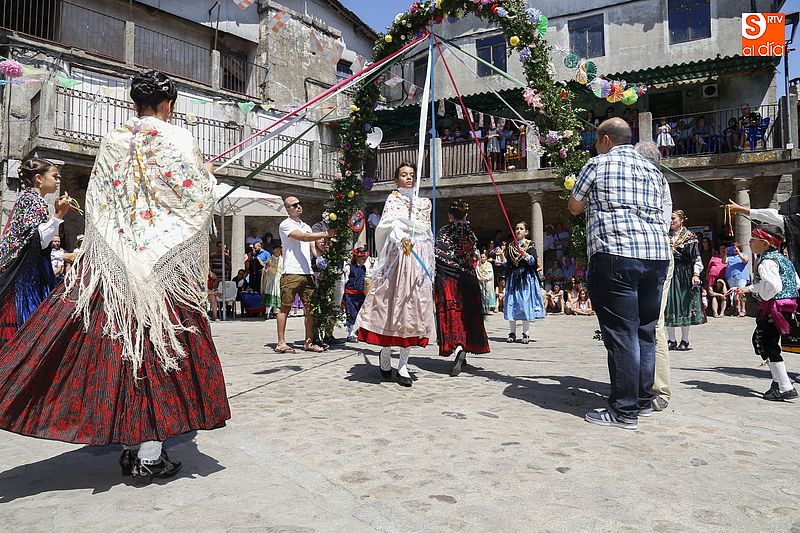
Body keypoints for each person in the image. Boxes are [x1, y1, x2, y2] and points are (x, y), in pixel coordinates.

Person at [0, 70, 229, 482]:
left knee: (119, 355)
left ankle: (132, 445)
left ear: (133, 103)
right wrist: (209, 179)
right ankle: (149, 453)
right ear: (169, 104)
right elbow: (195, 197)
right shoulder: (178, 139)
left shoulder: (112, 141)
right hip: (162, 269)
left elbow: (101, 199)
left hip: (113, 267)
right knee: (161, 356)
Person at [569, 117, 670, 430]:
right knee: (646, 331)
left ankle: (624, 411)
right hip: (655, 257)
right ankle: (641, 400)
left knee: (622, 333)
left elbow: (574, 206)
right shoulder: (655, 171)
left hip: (615, 254)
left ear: (605, 140)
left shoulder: (597, 164)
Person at [354, 163, 435, 387]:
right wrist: (401, 239)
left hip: (418, 259)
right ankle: (386, 354)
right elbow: (390, 226)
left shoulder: (424, 203)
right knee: (392, 307)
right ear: (396, 179)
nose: (408, 178)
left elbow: (426, 232)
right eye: (403, 175)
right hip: (398, 258)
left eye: (411, 175)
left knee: (412, 310)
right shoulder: (393, 199)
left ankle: (404, 365)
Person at [0, 159, 70, 347]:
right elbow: (36, 240)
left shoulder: (31, 199)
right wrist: (58, 216)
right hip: (24, 281)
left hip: (28, 278)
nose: (58, 180)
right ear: (39, 178)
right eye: (54, 176)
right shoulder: (31, 200)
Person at [635, 140, 673, 412]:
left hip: (656, 255)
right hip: (639, 254)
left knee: (653, 323)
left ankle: (659, 388)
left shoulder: (654, 181)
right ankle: (640, 381)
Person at [741, 225, 799, 400]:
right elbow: (796, 283)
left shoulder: (766, 262)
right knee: (763, 341)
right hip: (788, 306)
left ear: (765, 243)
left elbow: (773, 286)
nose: (750, 241)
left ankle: (785, 386)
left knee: (767, 343)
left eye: (753, 238)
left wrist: (753, 290)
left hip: (775, 308)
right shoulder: (784, 260)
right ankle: (778, 381)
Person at [433, 199, 490, 377]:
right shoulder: (471, 234)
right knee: (467, 314)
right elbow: (472, 255)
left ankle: (458, 348)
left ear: (450, 215)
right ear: (466, 215)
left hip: (449, 280)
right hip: (468, 279)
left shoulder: (444, 232)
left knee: (453, 314)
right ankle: (463, 350)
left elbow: (437, 256)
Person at [275, 196, 333, 354]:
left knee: (310, 309)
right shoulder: (285, 224)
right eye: (294, 205)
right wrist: (326, 233)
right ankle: (281, 342)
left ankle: (308, 341)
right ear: (287, 209)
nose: (298, 207)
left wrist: (324, 248)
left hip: (307, 272)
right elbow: (304, 237)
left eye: (299, 204)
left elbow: (313, 249)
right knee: (285, 308)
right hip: (291, 271)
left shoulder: (306, 225)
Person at [664, 210, 706, 350]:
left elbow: (696, 257)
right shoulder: (665, 236)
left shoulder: (690, 237)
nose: (671, 221)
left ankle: (685, 340)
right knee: (669, 304)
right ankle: (671, 340)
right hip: (669, 273)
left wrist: (696, 274)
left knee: (684, 305)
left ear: (681, 219)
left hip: (684, 274)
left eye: (673, 218)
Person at [504, 221, 545, 344]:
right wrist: (501, 258)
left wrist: (525, 254)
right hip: (513, 278)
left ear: (526, 232)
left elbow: (532, 261)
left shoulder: (530, 245)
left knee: (524, 303)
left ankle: (525, 333)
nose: (518, 231)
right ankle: (512, 333)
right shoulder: (511, 246)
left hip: (525, 277)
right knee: (512, 303)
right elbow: (508, 263)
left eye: (521, 229)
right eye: (516, 228)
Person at [344, 247, 368, 342]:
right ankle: (350, 334)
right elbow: (345, 280)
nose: (364, 261)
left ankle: (359, 332)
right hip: (350, 294)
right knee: (351, 314)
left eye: (365, 259)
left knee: (364, 313)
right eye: (363, 259)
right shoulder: (350, 267)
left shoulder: (364, 268)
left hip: (360, 294)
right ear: (357, 257)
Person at [724, 242, 750, 317]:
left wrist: (739, 252)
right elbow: (724, 261)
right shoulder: (730, 257)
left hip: (741, 277)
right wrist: (725, 253)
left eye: (736, 247)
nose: (734, 249)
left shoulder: (744, 255)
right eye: (733, 247)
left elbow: (745, 260)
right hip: (731, 278)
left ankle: (743, 309)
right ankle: (737, 309)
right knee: (734, 294)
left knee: (741, 292)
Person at [261, 243, 282, 318]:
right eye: (276, 249)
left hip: (279, 280)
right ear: (273, 250)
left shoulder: (282, 260)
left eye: (279, 249)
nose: (277, 251)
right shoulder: (269, 259)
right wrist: (266, 269)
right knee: (270, 295)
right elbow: (265, 269)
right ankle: (267, 312)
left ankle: (276, 312)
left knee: (277, 295)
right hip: (270, 280)